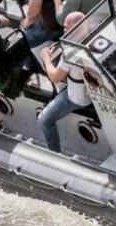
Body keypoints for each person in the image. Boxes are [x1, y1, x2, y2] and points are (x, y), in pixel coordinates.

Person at [37, 12, 91, 152]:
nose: (64, 31)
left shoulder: (71, 51)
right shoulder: (94, 34)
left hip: (80, 98)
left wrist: (46, 58)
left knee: (44, 120)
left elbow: (55, 77)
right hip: (95, 89)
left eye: (67, 28)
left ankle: (55, 153)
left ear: (77, 28)